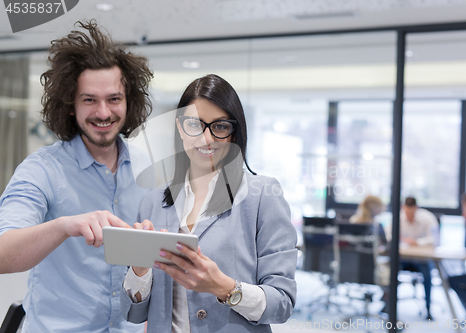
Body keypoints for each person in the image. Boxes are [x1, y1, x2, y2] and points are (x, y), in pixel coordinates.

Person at [0, 21, 153, 332]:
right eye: (89, 100)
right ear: (70, 105)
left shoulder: (150, 170)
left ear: (128, 102)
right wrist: (64, 226)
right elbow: (3, 254)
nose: (103, 112)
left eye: (113, 99)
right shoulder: (42, 169)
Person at [120, 74, 297, 332]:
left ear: (234, 133)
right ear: (180, 128)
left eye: (220, 126)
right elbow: (134, 313)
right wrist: (139, 270)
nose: (206, 139)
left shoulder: (262, 196)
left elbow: (282, 303)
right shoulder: (152, 202)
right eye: (194, 124)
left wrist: (223, 287)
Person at [386, 196, 439, 320]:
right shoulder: (398, 217)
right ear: (403, 208)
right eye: (407, 212)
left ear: (417, 209)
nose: (409, 215)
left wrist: (417, 242)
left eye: (412, 212)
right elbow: (389, 236)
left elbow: (435, 239)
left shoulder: (427, 217)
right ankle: (387, 305)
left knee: (427, 273)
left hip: (421, 259)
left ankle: (428, 308)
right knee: (391, 269)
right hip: (404, 258)